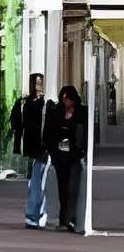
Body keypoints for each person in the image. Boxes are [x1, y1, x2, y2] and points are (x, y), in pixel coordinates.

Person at [10, 72, 54, 229]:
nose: (38, 87)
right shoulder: (23, 104)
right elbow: (15, 123)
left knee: (37, 182)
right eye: (36, 84)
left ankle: (35, 214)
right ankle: (35, 215)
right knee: (36, 182)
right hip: (30, 149)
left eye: (40, 84)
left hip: (41, 150)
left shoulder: (46, 104)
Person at [45, 84, 88, 232]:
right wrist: (52, 151)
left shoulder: (82, 112)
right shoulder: (56, 112)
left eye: (68, 99)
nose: (65, 102)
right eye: (63, 99)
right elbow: (49, 132)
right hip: (60, 156)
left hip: (74, 156)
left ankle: (71, 218)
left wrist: (83, 150)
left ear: (73, 99)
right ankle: (65, 220)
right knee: (62, 189)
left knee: (73, 188)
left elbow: (86, 132)